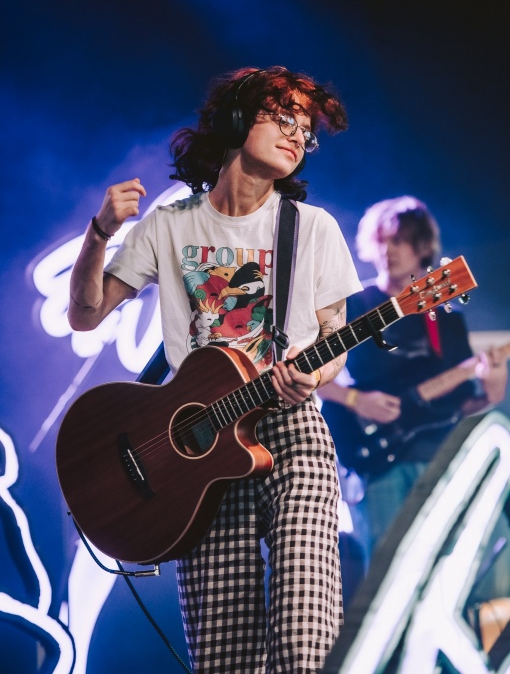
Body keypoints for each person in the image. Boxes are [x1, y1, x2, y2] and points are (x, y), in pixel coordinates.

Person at [67, 66, 362, 674]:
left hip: (290, 433)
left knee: (306, 640)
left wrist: (316, 376)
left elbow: (335, 340)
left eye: (304, 130)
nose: (295, 135)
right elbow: (86, 315)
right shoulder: (169, 226)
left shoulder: (313, 228)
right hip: (194, 449)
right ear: (235, 119)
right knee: (224, 659)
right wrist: (100, 233)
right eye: (281, 118)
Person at [319, 195, 508, 601]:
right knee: (390, 591)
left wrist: (494, 383)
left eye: (400, 240)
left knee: (495, 574)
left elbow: (468, 402)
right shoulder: (355, 305)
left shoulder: (446, 317)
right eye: (383, 240)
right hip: (380, 464)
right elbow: (306, 376)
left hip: (444, 459)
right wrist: (356, 401)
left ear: (422, 246)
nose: (389, 250)